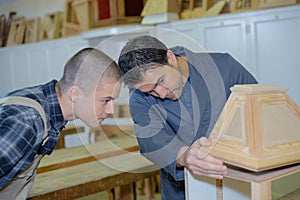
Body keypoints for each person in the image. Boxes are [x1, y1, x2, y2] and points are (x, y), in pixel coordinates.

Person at [118, 35, 257, 200]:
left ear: (170, 58)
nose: (161, 94)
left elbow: (258, 110)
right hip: (181, 191)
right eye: (150, 92)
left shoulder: (224, 67)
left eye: (161, 81)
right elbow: (152, 139)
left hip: (236, 184)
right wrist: (184, 156)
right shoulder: (139, 96)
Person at [0, 48, 122, 199]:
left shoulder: (48, 109)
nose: (111, 110)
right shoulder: (28, 122)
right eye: (105, 100)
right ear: (75, 94)